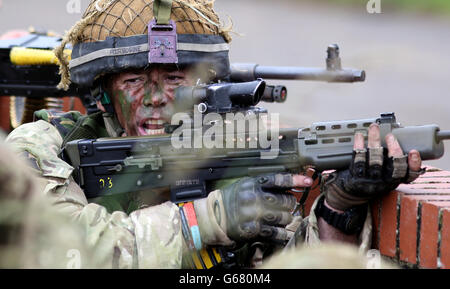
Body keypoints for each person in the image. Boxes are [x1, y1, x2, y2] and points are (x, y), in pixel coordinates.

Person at [5, 0, 423, 268]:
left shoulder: (234, 146)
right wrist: (209, 218)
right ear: (102, 92)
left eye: (174, 78)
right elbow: (61, 254)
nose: (156, 98)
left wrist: (339, 207)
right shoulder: (43, 147)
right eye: (134, 79)